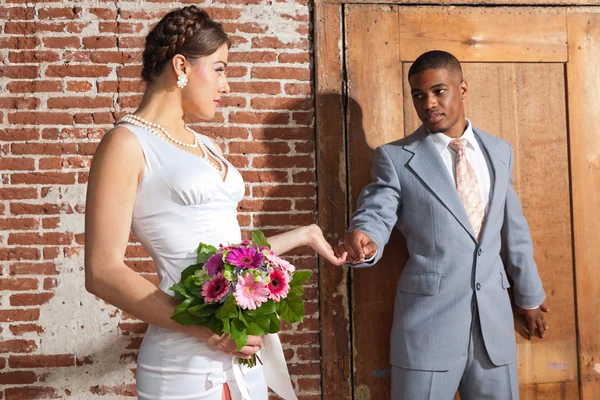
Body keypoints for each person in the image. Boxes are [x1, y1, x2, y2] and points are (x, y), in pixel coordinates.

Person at [84, 6, 346, 400]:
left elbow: (225, 257)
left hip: (240, 360)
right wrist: (209, 330)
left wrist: (303, 235)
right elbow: (102, 271)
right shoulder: (125, 145)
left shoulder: (207, 145)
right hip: (182, 366)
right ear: (181, 66)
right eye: (220, 68)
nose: (227, 85)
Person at [334, 50, 549, 399]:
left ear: (461, 88)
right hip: (428, 328)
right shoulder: (396, 157)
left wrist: (529, 297)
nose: (428, 103)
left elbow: (514, 231)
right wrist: (366, 236)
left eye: (439, 91)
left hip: (493, 329)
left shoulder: (498, 150)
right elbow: (377, 207)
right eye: (418, 95)